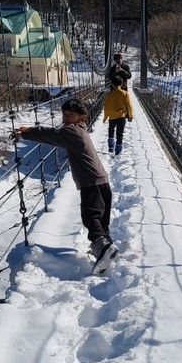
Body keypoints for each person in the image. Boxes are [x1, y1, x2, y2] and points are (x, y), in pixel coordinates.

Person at [13, 98, 117, 267]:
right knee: (100, 220)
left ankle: (103, 250)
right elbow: (55, 132)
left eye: (71, 115)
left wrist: (27, 133)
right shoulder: (81, 129)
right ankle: (107, 248)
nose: (66, 118)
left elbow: (51, 135)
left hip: (90, 182)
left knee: (91, 218)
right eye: (64, 114)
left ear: (82, 118)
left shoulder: (71, 132)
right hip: (101, 181)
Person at [103, 76, 133, 155]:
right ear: (122, 83)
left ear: (112, 84)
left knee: (111, 130)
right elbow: (129, 105)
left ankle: (111, 146)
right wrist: (130, 116)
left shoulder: (109, 94)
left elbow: (106, 107)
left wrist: (105, 117)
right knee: (120, 133)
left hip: (112, 116)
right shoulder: (125, 93)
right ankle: (118, 149)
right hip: (122, 116)